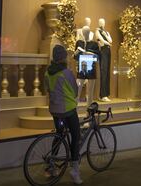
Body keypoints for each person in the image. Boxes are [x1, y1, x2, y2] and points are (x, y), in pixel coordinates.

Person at [44, 45, 83, 184]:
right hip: (68, 110)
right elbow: (74, 90)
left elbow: (47, 89)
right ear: (63, 57)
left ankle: (52, 165)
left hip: (55, 110)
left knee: (59, 134)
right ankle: (74, 169)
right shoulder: (66, 72)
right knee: (76, 135)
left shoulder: (48, 72)